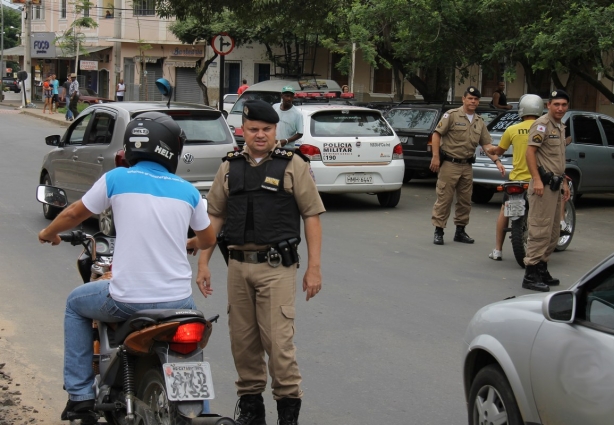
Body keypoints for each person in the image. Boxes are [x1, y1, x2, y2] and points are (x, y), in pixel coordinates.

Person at [38, 112, 217, 423]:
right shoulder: (188, 191)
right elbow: (208, 238)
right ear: (170, 150)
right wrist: (190, 243)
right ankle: (200, 410)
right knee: (190, 349)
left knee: (75, 304)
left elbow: (73, 214)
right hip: (178, 301)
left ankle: (80, 395)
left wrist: (48, 233)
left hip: (127, 299)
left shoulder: (116, 179)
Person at [196, 100, 324, 425]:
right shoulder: (230, 166)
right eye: (253, 129)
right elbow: (216, 215)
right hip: (237, 267)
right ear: (243, 130)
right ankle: (252, 412)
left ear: (275, 130)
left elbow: (311, 216)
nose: (260, 135)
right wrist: (203, 263)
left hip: (276, 267)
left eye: (266, 129)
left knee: (279, 345)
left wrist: (314, 267)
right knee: (243, 343)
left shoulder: (292, 164)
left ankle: (288, 414)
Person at [430, 86, 505, 245]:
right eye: (470, 98)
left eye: (476, 99)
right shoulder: (452, 115)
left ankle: (460, 231)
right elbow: (436, 135)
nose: (473, 101)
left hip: (467, 165)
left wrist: (497, 161)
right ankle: (439, 230)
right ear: (463, 99)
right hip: (450, 163)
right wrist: (435, 157)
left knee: (465, 200)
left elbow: (486, 145)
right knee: (445, 198)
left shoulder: (479, 121)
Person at [521, 89, 571, 292]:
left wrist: (565, 182)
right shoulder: (541, 124)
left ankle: (542, 268)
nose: (560, 108)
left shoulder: (559, 126)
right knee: (540, 230)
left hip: (556, 185)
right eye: (556, 104)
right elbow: (530, 152)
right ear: (548, 105)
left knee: (553, 232)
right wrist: (536, 179)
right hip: (543, 185)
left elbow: (558, 159)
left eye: (564, 105)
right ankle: (530, 274)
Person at [486, 94, 542, 260]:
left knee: (504, 210)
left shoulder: (512, 129)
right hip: (537, 179)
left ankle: (497, 250)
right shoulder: (543, 129)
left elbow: (500, 150)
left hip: (516, 179)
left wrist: (492, 150)